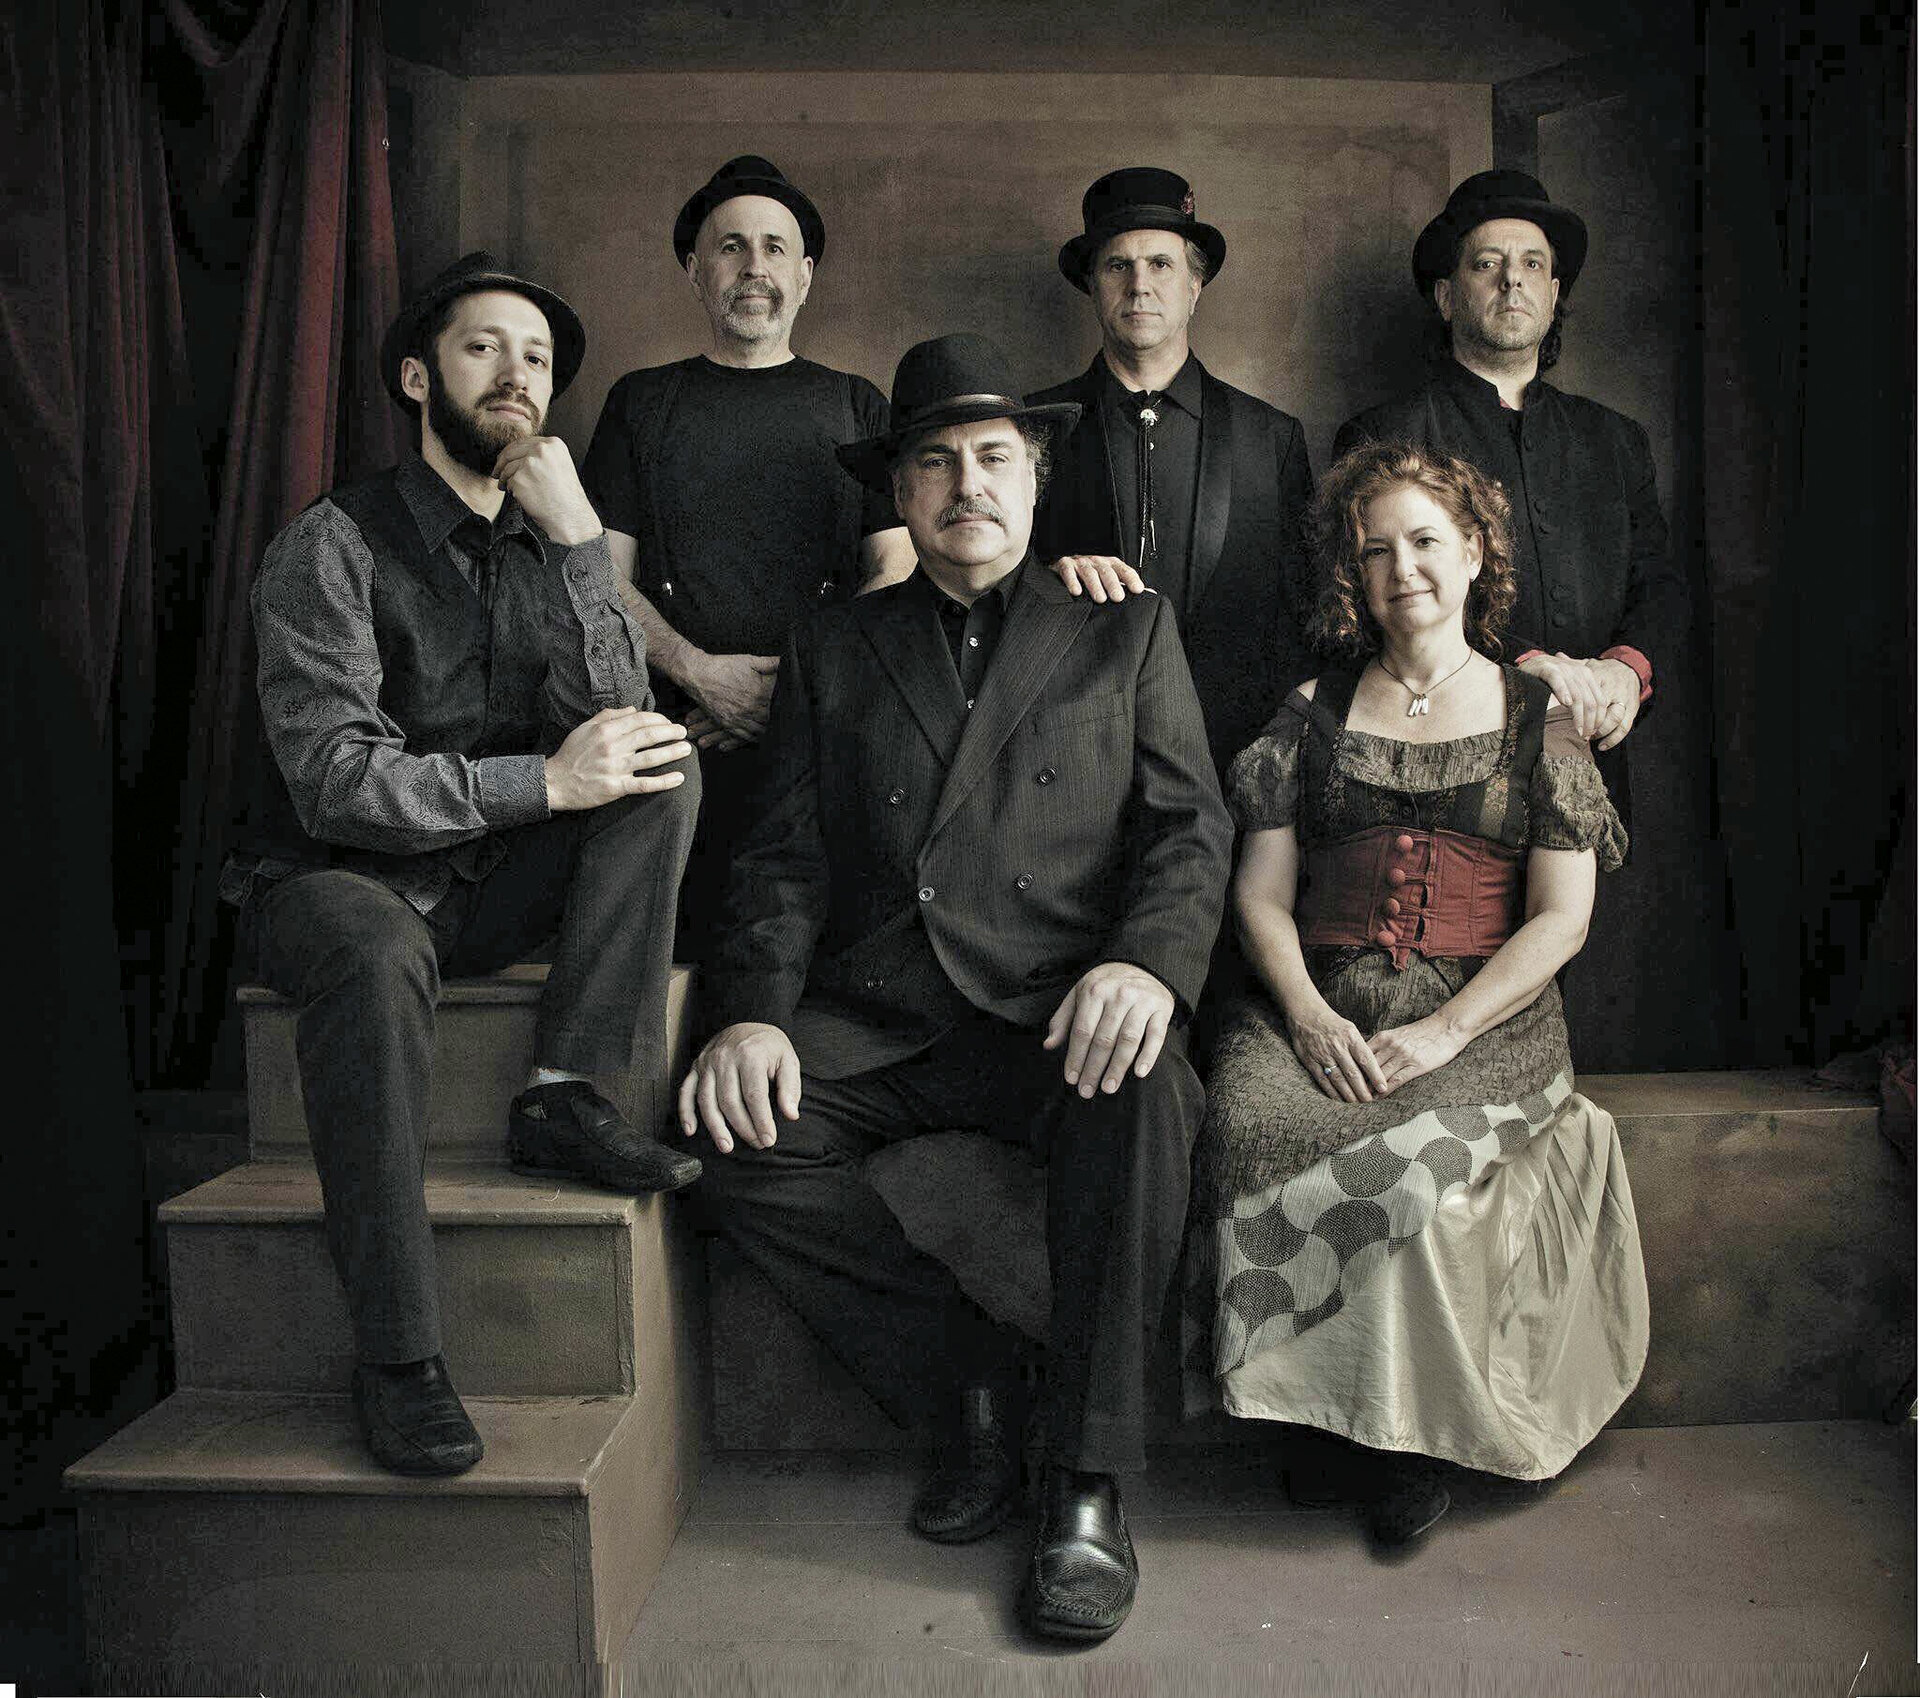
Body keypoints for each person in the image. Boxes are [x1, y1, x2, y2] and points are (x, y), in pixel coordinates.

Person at [680, 333, 1232, 1641]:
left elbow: (1188, 830)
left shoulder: (1125, 627)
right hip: (882, 1013)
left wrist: (1144, 966)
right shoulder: (836, 642)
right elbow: (782, 857)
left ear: (1036, 480)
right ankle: (971, 1383)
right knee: (726, 1140)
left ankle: (1087, 1480)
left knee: (1149, 1097)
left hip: (1055, 1008)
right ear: (900, 492)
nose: (965, 484)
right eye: (934, 462)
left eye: (992, 457)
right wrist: (751, 1014)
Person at [222, 252, 701, 1478]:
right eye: (485, 347)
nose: (516, 375)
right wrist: (544, 785)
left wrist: (583, 542)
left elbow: (618, 722)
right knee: (375, 944)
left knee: (662, 764)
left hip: (485, 887)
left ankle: (563, 1093)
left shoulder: (550, 543)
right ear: (416, 376)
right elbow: (334, 779)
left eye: (536, 357)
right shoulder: (332, 542)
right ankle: (399, 1356)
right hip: (335, 885)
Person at [1183, 439, 1649, 1545]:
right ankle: (1314, 1419)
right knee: (1249, 1127)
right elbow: (1259, 898)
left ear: (1476, 551)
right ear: (1353, 573)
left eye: (1427, 541)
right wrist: (1306, 1014)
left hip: (1487, 1010)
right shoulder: (1310, 711)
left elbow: (1562, 918)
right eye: (1376, 551)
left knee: (1422, 1166)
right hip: (1320, 998)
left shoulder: (1538, 717)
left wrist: (1445, 1030)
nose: (1405, 570)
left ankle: (1405, 1441)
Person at [579, 155, 914, 958]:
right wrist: (698, 671)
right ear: (696, 272)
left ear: (805, 276)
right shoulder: (640, 402)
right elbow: (595, 576)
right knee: (675, 969)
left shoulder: (857, 404)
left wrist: (790, 694)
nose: (753, 266)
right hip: (674, 750)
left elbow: (895, 574)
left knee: (809, 968)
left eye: (773, 248)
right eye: (730, 247)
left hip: (824, 749)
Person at [1333, 169, 1689, 825]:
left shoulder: (1616, 439)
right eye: (1487, 264)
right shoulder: (1382, 435)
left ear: (1552, 294)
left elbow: (1659, 583)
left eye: (1531, 264)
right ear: (1446, 296)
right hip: (1447, 768)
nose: (1511, 281)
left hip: (1597, 757)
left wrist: (1624, 672)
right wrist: (1529, 668)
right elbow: (1372, 604)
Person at [1031, 166, 1316, 774]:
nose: (1139, 286)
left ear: (1194, 285)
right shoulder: (1029, 431)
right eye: (1118, 266)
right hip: (1067, 759)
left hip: (1233, 759)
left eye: (1160, 264)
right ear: (1092, 285)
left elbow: (1303, 615)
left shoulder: (1272, 438)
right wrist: (1047, 576)